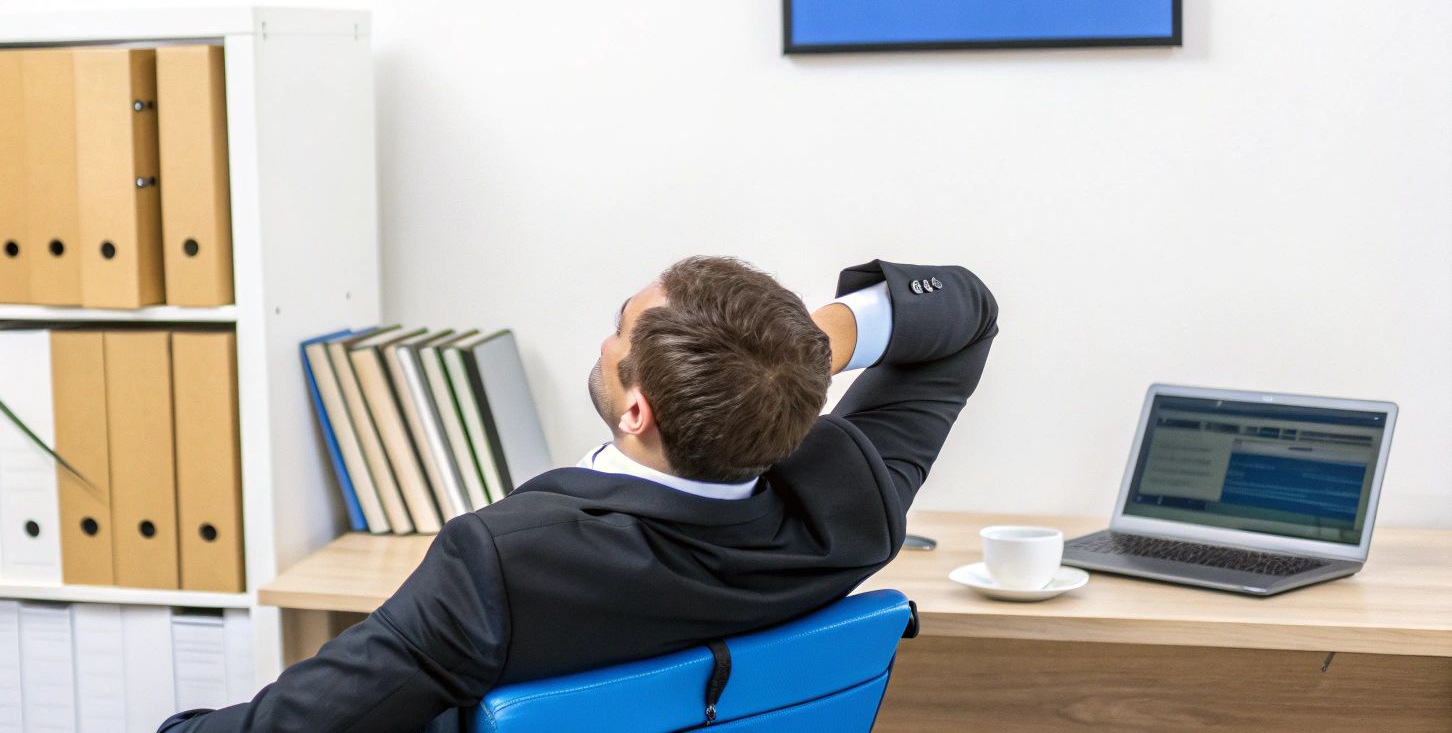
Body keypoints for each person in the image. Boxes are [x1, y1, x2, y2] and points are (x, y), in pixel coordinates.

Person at [160, 256, 998, 732]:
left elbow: (301, 728)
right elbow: (966, 311)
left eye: (620, 329)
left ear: (636, 408)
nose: (607, 339)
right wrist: (797, 349)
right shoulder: (853, 509)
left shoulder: (504, 563)